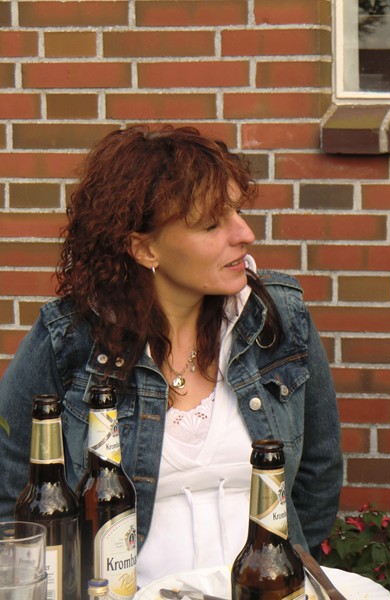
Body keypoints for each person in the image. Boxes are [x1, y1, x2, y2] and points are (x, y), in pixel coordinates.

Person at [0, 125, 343, 585]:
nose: (245, 233)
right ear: (145, 248)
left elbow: (319, 473)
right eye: (212, 224)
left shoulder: (275, 319)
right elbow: (12, 494)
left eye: (238, 211)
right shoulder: (69, 340)